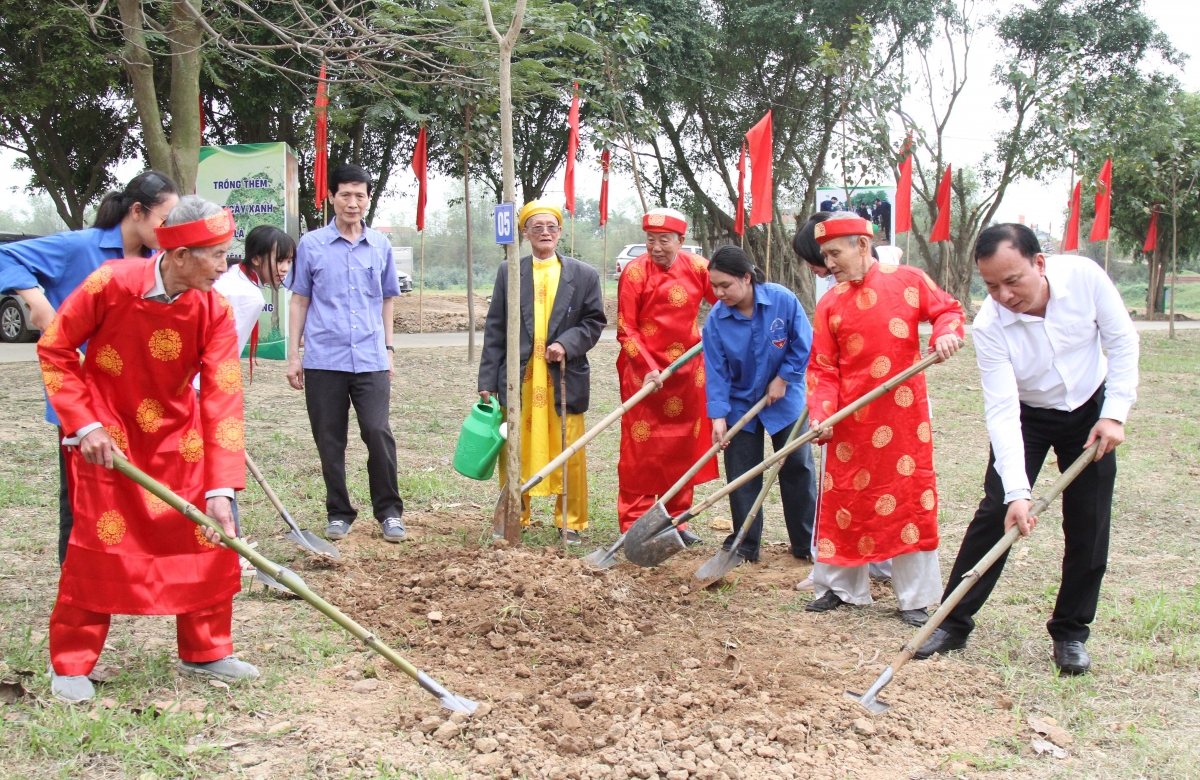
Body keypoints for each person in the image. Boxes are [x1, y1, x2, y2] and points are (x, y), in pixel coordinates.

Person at [40, 196, 256, 702]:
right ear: (179, 255)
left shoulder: (214, 307)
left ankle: (206, 650)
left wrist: (220, 485)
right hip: (105, 440)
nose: (225, 266)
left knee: (206, 536)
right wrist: (84, 422)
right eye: (215, 255)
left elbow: (223, 394)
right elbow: (56, 348)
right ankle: (71, 662)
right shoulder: (110, 283)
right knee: (96, 547)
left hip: (178, 442)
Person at [915, 224, 1139, 675]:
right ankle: (951, 620)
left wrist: (1114, 413)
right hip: (1028, 414)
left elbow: (1122, 342)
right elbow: (1001, 410)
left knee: (1089, 520)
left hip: (1089, 408)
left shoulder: (1085, 278)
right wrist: (1018, 493)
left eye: (1012, 281)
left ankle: (1071, 632)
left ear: (1039, 263)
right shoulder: (992, 326)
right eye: (992, 286)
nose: (1004, 295)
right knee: (996, 508)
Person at [0, 170, 180, 565]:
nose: (168, 231)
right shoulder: (79, 248)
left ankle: (122, 573)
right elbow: (5, 255)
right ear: (136, 211)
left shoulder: (159, 263)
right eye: (163, 220)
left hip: (133, 397)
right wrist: (40, 305)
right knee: (82, 498)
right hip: (80, 395)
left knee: (130, 494)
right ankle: (76, 581)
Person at [804, 212, 965, 625]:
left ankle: (913, 598)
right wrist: (821, 415)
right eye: (825, 255)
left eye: (835, 253)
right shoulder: (829, 303)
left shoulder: (908, 280)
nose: (830, 263)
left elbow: (948, 310)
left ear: (862, 245)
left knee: (909, 497)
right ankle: (840, 587)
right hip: (848, 420)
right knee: (845, 497)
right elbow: (822, 368)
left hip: (904, 418)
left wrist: (946, 332)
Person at [285, 164, 404, 542]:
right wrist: (294, 355)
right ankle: (339, 512)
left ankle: (389, 512)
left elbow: (386, 300)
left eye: (360, 195)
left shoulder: (380, 246)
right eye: (345, 195)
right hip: (324, 358)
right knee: (329, 438)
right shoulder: (311, 245)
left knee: (377, 431)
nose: (353, 203)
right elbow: (300, 300)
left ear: (368, 199)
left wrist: (388, 348)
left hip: (370, 357)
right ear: (332, 197)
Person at [477, 200, 606, 542]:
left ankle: (571, 521)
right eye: (537, 228)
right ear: (525, 233)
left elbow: (594, 322)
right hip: (519, 377)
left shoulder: (583, 274)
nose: (545, 233)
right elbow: (495, 328)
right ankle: (514, 515)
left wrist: (566, 343)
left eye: (551, 227)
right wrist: (487, 380)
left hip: (563, 376)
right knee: (514, 447)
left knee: (569, 449)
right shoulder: (510, 271)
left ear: (560, 232)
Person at [703, 245, 817, 562]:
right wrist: (719, 417)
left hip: (786, 399)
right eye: (714, 286)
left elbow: (803, 343)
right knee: (742, 473)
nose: (719, 292)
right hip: (741, 405)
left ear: (747, 278)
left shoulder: (782, 300)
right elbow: (716, 371)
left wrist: (784, 377)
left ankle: (805, 544)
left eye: (725, 285)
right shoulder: (716, 320)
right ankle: (745, 544)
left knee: (798, 467)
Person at [615, 208, 717, 539]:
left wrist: (715, 337)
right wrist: (647, 367)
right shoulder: (633, 273)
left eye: (664, 240)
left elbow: (726, 302)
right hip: (643, 375)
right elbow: (625, 329)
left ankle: (676, 523)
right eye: (650, 240)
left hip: (688, 374)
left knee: (683, 449)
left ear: (681, 241)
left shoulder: (700, 269)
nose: (656, 247)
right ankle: (635, 526)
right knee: (640, 452)